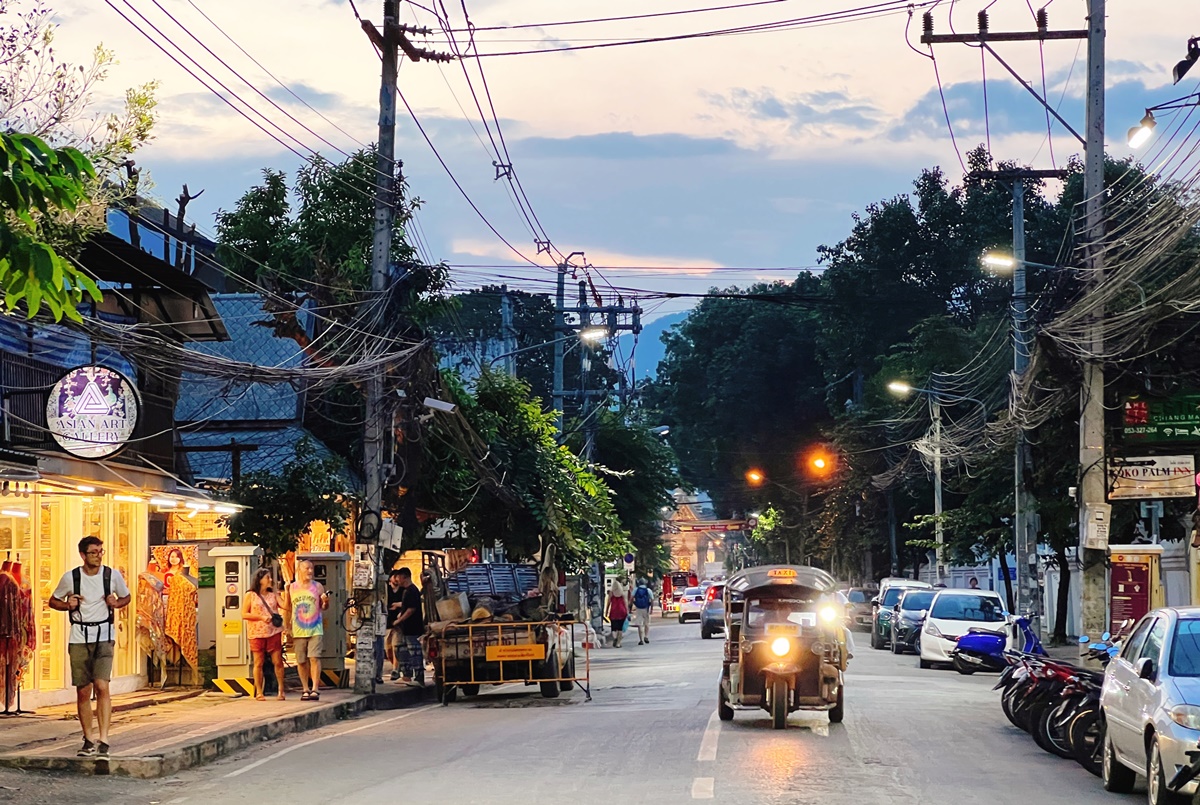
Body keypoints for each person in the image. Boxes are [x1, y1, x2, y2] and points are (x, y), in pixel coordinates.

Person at [48, 537, 132, 760]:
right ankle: (88, 739)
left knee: (102, 684)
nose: (98, 555)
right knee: (83, 689)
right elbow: (53, 601)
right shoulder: (71, 577)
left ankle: (104, 739)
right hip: (79, 636)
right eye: (94, 552)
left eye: (101, 551)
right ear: (83, 555)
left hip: (105, 635)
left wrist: (116, 603)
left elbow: (126, 596)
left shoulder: (111, 575)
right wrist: (68, 605)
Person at [282, 560, 329, 701]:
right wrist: (287, 626)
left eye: (311, 568)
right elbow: (288, 608)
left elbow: (324, 607)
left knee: (314, 657)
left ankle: (315, 688)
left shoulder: (318, 586)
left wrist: (326, 601)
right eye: (307, 568)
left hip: (315, 627)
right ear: (299, 570)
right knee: (301, 660)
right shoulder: (292, 588)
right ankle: (305, 689)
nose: (310, 571)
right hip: (298, 629)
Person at [242, 568, 286, 701]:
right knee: (258, 662)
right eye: (267, 577)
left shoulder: (274, 594)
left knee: (277, 661)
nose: (270, 580)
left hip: (274, 632)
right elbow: (244, 614)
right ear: (260, 580)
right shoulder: (250, 595)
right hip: (256, 633)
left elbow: (285, 606)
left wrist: (288, 591)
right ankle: (259, 691)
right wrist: (260, 617)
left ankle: (281, 690)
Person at [390, 567, 425, 685]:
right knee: (403, 651)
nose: (397, 580)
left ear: (404, 577)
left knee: (414, 652)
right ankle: (407, 676)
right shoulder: (407, 591)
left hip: (412, 628)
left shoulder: (411, 590)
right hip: (406, 629)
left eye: (398, 577)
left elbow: (411, 609)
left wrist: (399, 620)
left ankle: (419, 677)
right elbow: (406, 606)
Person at [606, 575, 629, 648]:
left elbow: (608, 603)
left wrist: (606, 611)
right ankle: (618, 643)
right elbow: (626, 603)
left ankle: (615, 638)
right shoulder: (623, 593)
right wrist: (627, 612)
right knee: (620, 628)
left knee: (613, 628)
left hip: (613, 611)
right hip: (622, 612)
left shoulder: (611, 593)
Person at [632, 578, 654, 645]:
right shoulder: (648, 590)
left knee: (639, 624)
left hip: (638, 608)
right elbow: (652, 599)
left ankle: (641, 639)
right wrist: (651, 608)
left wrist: (632, 605)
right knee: (646, 623)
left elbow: (631, 598)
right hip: (646, 608)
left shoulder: (636, 590)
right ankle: (646, 636)